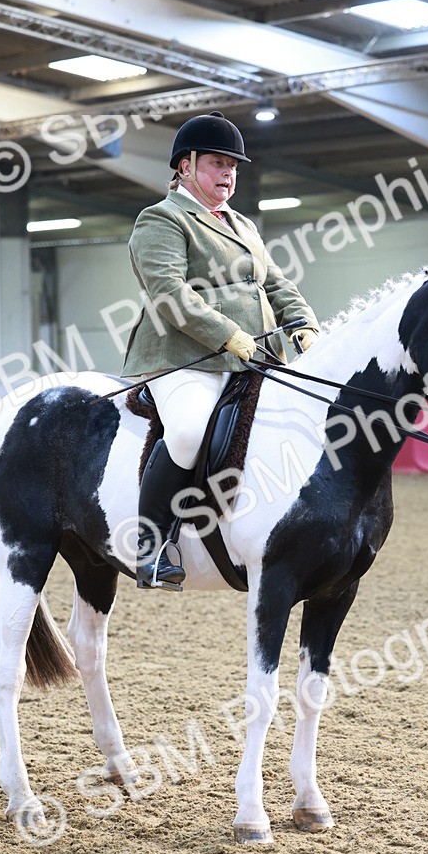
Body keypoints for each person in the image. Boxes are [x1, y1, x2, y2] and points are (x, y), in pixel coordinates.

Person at [122, 110, 320, 590]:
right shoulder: (162, 218)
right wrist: (227, 334)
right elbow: (169, 292)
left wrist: (305, 325)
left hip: (253, 357)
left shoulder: (242, 223)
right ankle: (152, 544)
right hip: (183, 358)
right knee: (188, 430)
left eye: (233, 166)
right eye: (217, 163)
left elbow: (275, 283)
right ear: (185, 166)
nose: (228, 174)